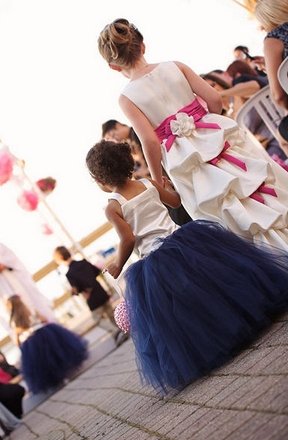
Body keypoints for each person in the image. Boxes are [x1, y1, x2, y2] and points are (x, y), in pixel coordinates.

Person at [85, 139, 288, 395]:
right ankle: (242, 317)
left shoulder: (113, 207)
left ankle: (215, 339)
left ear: (99, 179)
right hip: (183, 241)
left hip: (155, 258)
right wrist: (168, 187)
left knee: (184, 308)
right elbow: (175, 202)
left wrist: (117, 264)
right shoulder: (148, 184)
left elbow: (129, 239)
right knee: (211, 285)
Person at [97, 18, 288, 251]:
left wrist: (158, 180)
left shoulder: (127, 97)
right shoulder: (175, 66)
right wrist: (204, 122)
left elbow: (149, 141)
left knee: (222, 209)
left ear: (113, 66)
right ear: (142, 46)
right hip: (215, 137)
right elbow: (215, 100)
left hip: (184, 158)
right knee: (256, 183)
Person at [102, 119, 192, 226]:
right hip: (158, 185)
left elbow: (153, 151)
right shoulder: (129, 145)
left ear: (117, 125)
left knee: (182, 216)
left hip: (163, 180)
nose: (114, 139)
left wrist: (158, 180)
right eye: (110, 139)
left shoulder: (137, 133)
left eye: (112, 135)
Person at [0, 229, 56, 326]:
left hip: (11, 279)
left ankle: (44, 322)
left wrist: (3, 264)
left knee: (28, 301)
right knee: (10, 313)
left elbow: (10, 255)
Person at [6, 295, 89, 394]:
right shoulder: (31, 311)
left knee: (43, 363)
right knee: (56, 354)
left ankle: (58, 379)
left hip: (31, 342)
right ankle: (64, 372)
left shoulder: (14, 322)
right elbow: (44, 319)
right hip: (44, 333)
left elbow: (17, 341)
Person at [53, 246, 129, 347]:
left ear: (61, 260)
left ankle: (116, 332)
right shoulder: (84, 262)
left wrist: (76, 291)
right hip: (101, 292)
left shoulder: (69, 274)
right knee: (111, 314)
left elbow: (75, 289)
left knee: (97, 319)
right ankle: (123, 331)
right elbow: (97, 271)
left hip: (92, 298)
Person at [253, 0, 288, 157]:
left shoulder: (274, 39)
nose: (261, 28)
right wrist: (271, 69)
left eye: (261, 22)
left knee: (282, 136)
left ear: (269, 18)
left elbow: (278, 95)